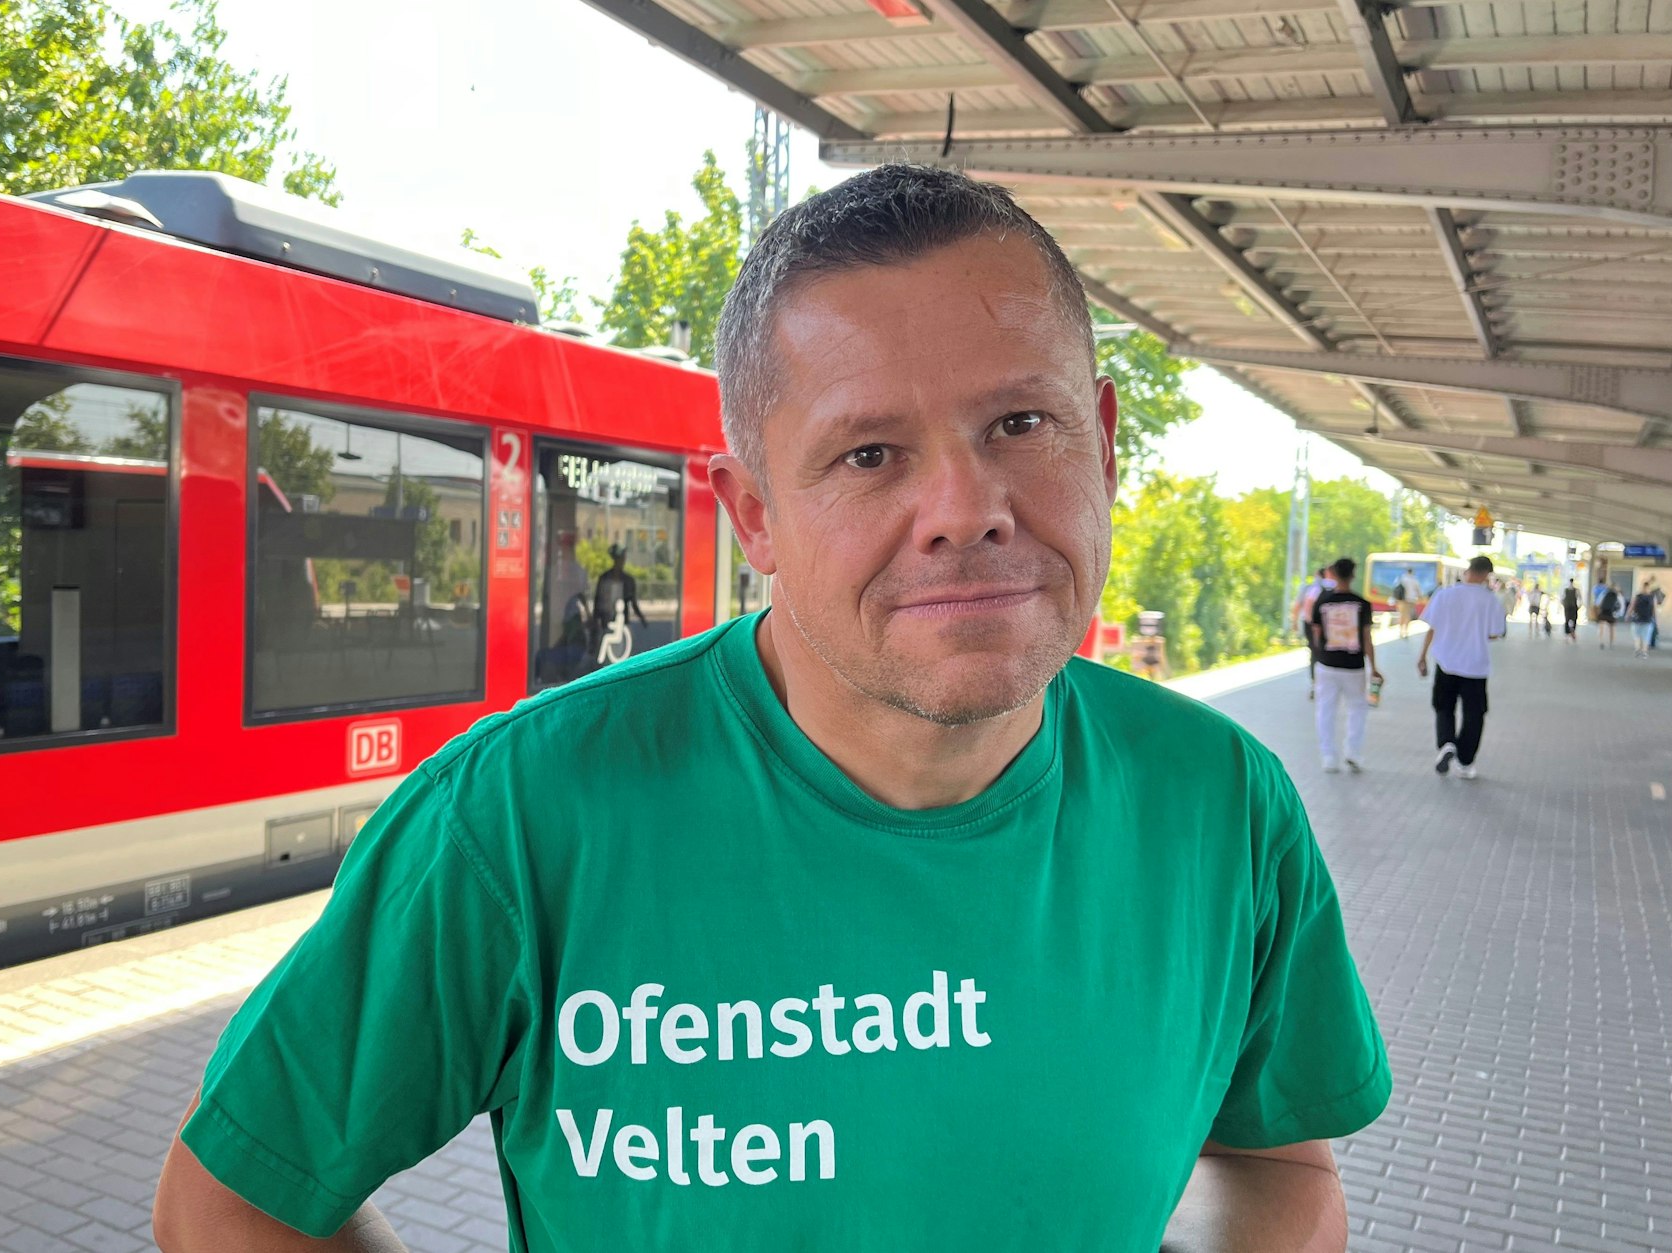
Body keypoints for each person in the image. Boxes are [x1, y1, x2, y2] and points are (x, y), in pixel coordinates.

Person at [153, 164, 1389, 1253]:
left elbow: (1281, 1163)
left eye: (1020, 422)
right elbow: (235, 1202)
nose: (967, 508)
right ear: (752, 513)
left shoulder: (1223, 807)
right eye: (869, 453)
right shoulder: (518, 818)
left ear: (1103, 442)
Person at [1417, 555, 1508, 780]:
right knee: (1474, 714)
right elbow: (1495, 633)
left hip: (1446, 662)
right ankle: (1465, 761)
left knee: (1443, 707)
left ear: (1469, 569)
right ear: (1486, 574)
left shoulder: (1444, 594)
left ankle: (1447, 742)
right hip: (1475, 666)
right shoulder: (1490, 600)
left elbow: (1432, 628)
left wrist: (1422, 657)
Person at [1307, 557, 1381, 773]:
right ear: (1353, 575)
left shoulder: (1323, 601)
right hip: (1353, 666)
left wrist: (1319, 656)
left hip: (1326, 664)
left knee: (1325, 711)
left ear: (1334, 574)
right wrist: (1374, 667)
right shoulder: (1362, 604)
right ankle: (1353, 752)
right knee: (1357, 709)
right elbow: (1367, 638)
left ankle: (1328, 756)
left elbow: (1316, 633)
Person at [589, 543, 648, 667]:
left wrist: (642, 619)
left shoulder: (628, 580)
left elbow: (633, 602)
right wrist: (595, 623)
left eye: (622, 558)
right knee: (606, 659)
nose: (621, 561)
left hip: (622, 627)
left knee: (620, 657)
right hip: (606, 623)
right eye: (619, 558)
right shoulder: (604, 578)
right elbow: (597, 603)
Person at [1292, 566, 1330, 697]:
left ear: (1316, 574)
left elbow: (1297, 606)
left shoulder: (1309, 588)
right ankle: (1324, 683)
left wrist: (1294, 623)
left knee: (1315, 652)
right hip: (1326, 625)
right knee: (1325, 652)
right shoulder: (1331, 588)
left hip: (1309, 623)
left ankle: (1316, 683)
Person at [1628, 581, 1659, 659]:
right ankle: (1644, 652)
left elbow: (1631, 606)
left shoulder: (1637, 596)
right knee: (1646, 637)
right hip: (1648, 619)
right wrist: (1656, 620)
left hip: (1637, 619)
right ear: (1649, 588)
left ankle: (1637, 650)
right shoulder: (1652, 597)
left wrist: (1628, 615)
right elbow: (1654, 610)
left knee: (1637, 635)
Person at [1597, 581, 1625, 650]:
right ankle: (1611, 643)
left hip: (1603, 611)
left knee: (1602, 627)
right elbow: (1622, 605)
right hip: (1612, 613)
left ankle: (1601, 641)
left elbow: (1598, 602)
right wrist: (1619, 613)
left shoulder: (1604, 592)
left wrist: (1599, 609)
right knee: (1612, 628)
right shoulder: (1618, 595)